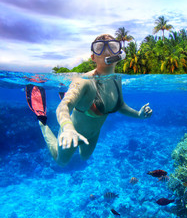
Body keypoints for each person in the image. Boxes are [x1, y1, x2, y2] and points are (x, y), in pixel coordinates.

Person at [26, 34, 152, 166]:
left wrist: (138, 115)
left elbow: (120, 105)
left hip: (93, 135)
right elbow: (63, 107)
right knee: (61, 162)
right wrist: (68, 128)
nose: (107, 51)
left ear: (119, 54)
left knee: (85, 157)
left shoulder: (116, 79)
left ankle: (76, 99)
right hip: (72, 133)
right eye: (100, 48)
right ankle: (42, 122)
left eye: (113, 46)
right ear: (93, 57)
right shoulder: (84, 82)